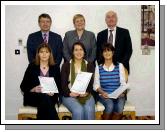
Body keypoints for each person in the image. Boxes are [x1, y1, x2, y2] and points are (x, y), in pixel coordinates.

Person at [20, 43, 61, 120]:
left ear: (50, 54)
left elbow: (59, 86)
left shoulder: (55, 67)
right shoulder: (32, 66)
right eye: (41, 52)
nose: (44, 54)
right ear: (38, 54)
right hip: (34, 96)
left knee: (45, 99)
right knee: (44, 98)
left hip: (51, 96)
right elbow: (23, 86)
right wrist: (34, 89)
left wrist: (53, 91)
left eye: (46, 52)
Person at [61, 42, 95, 120]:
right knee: (78, 110)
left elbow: (91, 84)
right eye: (76, 50)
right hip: (69, 95)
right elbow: (63, 85)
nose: (79, 52)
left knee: (89, 110)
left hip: (86, 94)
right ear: (72, 52)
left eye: (81, 49)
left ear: (84, 52)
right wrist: (70, 93)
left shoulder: (90, 65)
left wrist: (87, 92)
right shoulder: (66, 65)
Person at [93, 43, 127, 120]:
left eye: (109, 51)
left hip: (118, 95)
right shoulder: (99, 67)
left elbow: (123, 83)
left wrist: (122, 92)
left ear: (113, 52)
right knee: (110, 105)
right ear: (102, 54)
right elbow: (96, 85)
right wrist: (102, 92)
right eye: (104, 51)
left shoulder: (120, 65)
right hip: (104, 94)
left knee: (119, 107)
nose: (107, 53)